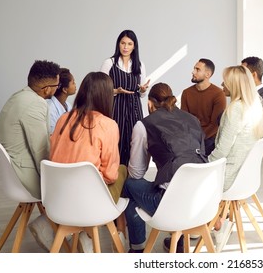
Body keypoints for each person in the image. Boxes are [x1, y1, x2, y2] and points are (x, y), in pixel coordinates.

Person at [122, 82, 206, 253]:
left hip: (171, 205)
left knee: (130, 185)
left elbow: (137, 173)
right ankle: (181, 240)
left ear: (149, 103)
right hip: (202, 201)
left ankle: (137, 249)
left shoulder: (144, 125)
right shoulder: (193, 120)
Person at [49, 72, 127, 253]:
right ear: (106, 96)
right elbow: (110, 175)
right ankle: (117, 235)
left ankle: (85, 233)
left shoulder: (63, 119)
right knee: (122, 171)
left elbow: (52, 156)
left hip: (58, 198)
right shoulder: (108, 125)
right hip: (90, 203)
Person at [0, 59, 61, 251]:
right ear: (46, 88)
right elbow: (41, 152)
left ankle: (48, 226)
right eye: (57, 86)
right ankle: (52, 229)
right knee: (77, 186)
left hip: (14, 173)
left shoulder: (18, 96)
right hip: (25, 178)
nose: (58, 89)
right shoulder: (36, 105)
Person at [209, 65, 263, 252]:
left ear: (234, 85)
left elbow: (223, 149)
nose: (220, 85)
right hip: (245, 178)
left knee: (185, 179)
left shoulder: (235, 109)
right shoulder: (255, 105)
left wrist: (205, 163)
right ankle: (217, 223)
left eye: (224, 81)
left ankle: (202, 226)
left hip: (229, 177)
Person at [100, 29, 150, 166]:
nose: (126, 47)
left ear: (134, 46)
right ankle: (115, 175)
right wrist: (116, 90)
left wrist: (143, 89)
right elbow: (100, 88)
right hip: (116, 106)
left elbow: (142, 93)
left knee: (135, 141)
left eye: (129, 44)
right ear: (118, 44)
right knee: (116, 140)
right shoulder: (109, 63)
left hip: (134, 107)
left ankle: (133, 176)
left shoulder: (139, 65)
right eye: (123, 43)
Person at [180, 58, 226, 154]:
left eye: (197, 69)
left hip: (209, 139)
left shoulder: (218, 94)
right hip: (191, 138)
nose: (193, 72)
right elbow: (185, 120)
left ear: (207, 74)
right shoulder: (186, 93)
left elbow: (215, 125)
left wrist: (198, 139)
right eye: (194, 69)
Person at [46, 68, 77, 134]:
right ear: (65, 89)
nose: (75, 85)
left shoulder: (68, 105)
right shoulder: (50, 108)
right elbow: (53, 133)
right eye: (73, 82)